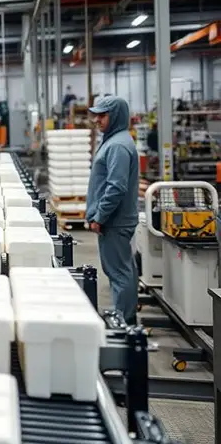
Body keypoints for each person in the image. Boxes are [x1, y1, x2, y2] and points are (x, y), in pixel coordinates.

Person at [86, 95, 139, 325]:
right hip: (117, 219)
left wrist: (100, 216)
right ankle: (127, 317)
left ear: (115, 116)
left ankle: (123, 324)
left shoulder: (117, 145)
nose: (96, 120)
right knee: (123, 270)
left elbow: (116, 187)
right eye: (96, 115)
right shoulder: (115, 140)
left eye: (102, 115)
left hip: (114, 221)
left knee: (118, 273)